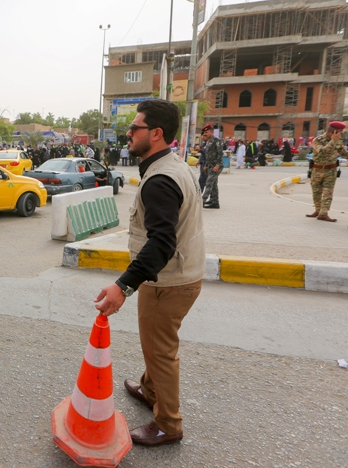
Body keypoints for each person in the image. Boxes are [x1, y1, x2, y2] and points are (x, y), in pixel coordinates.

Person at [93, 99, 204, 447]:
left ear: (155, 134)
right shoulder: (170, 166)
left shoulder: (160, 179)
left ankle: (168, 424)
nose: (128, 133)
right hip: (177, 275)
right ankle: (149, 388)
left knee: (160, 350)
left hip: (169, 281)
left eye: (135, 127)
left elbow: (161, 244)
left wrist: (122, 286)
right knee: (154, 343)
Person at [307, 121, 348, 222]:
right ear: (333, 131)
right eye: (340, 131)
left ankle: (323, 213)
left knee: (328, 193)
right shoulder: (318, 140)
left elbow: (343, 152)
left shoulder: (339, 140)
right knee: (316, 192)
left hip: (331, 170)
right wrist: (333, 141)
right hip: (317, 169)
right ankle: (318, 210)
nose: (342, 133)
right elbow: (322, 151)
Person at [200, 125, 224, 209]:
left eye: (207, 132)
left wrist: (217, 165)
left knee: (209, 183)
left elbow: (220, 153)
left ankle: (202, 201)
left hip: (216, 166)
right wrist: (206, 165)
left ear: (212, 132)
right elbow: (208, 155)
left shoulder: (217, 141)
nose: (205, 134)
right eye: (204, 132)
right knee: (214, 184)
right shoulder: (208, 142)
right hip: (210, 166)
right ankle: (215, 202)